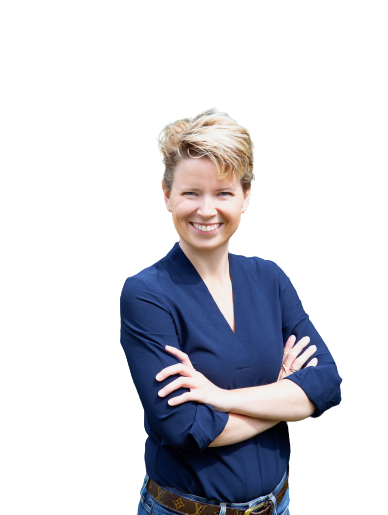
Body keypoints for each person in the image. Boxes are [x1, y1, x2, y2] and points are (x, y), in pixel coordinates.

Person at [120, 107, 342, 515]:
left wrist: (220, 398)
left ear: (246, 197)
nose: (207, 210)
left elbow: (327, 384)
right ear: (166, 195)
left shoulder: (270, 278)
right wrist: (284, 398)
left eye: (223, 193)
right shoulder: (146, 293)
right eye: (191, 193)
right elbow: (184, 427)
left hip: (277, 505)